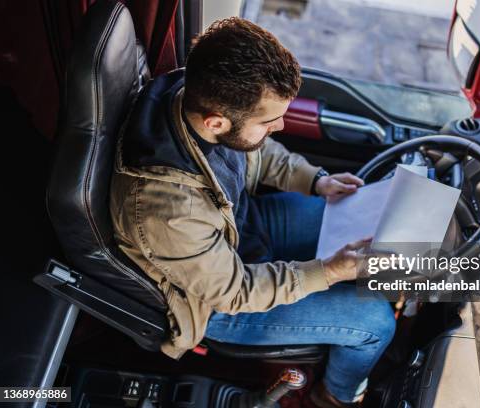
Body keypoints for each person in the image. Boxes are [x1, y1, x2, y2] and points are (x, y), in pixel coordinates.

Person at [110, 17, 395, 407]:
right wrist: (328, 272)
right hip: (220, 304)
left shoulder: (192, 98)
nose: (279, 126)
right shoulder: (168, 211)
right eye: (269, 120)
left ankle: (463, 281)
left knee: (383, 237)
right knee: (375, 322)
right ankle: (335, 396)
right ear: (217, 122)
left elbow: (255, 152)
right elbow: (235, 291)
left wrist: (314, 180)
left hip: (246, 228)